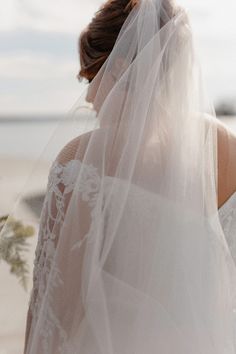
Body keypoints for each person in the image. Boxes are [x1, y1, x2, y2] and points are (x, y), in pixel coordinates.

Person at [23, 0, 236, 353]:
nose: (89, 97)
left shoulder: (79, 162)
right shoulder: (226, 148)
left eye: (90, 78)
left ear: (120, 69)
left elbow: (55, 315)